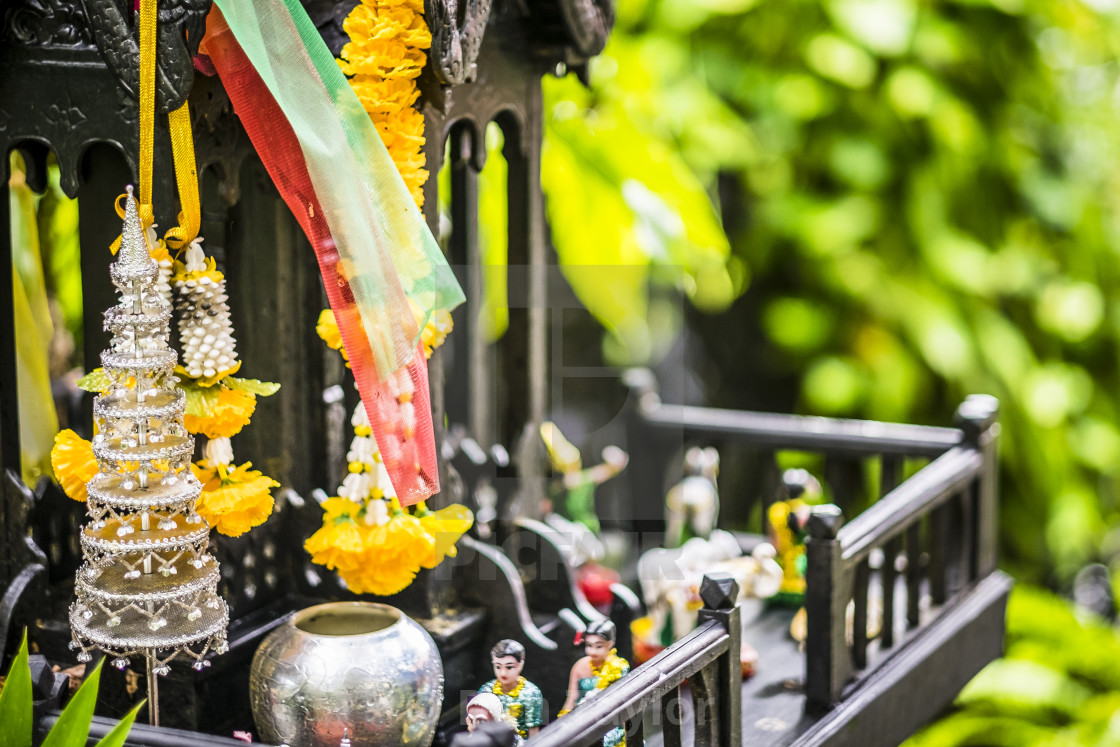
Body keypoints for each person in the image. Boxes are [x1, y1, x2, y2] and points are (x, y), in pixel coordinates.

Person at [559, 620, 630, 747]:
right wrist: (563, 722)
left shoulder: (617, 667)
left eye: (599, 646)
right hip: (582, 718)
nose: (593, 651)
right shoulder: (579, 666)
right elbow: (572, 698)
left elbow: (621, 703)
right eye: (589, 645)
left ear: (610, 644)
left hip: (609, 721)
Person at [478, 639, 543, 739]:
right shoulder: (486, 690)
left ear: (520, 665)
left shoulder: (531, 694)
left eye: (509, 667)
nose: (503, 673)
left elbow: (533, 732)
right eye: (498, 667)